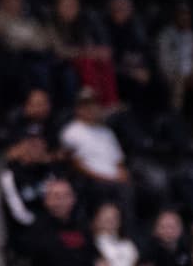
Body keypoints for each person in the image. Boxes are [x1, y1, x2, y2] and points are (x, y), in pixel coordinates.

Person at [60, 88, 132, 220]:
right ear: (78, 109)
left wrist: (123, 174)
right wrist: (105, 178)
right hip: (93, 180)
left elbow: (119, 161)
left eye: (94, 105)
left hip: (114, 179)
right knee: (116, 191)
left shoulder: (106, 132)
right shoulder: (71, 132)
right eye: (86, 106)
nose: (92, 109)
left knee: (132, 186)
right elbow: (76, 164)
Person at [16, 178, 96, 265]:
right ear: (47, 200)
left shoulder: (84, 227)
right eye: (56, 196)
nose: (62, 201)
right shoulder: (36, 230)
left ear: (73, 199)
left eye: (66, 196)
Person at [93, 202, 139, 266]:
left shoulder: (128, 245)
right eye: (105, 216)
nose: (110, 220)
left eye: (114, 216)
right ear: (96, 219)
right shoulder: (89, 244)